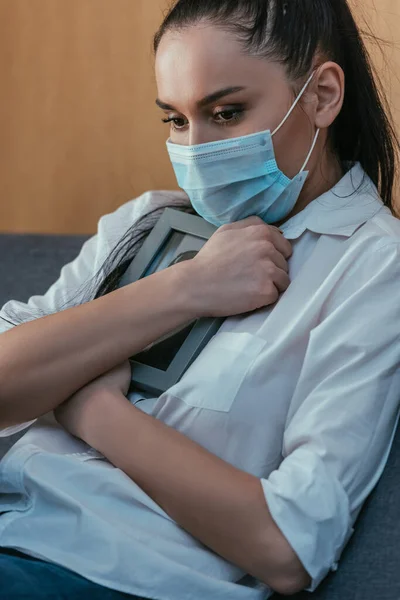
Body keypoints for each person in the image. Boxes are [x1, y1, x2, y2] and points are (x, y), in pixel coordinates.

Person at [0, 0, 400, 598]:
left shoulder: (373, 265)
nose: (197, 149)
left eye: (227, 112)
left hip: (102, 574)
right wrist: (183, 289)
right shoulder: (145, 219)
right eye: (177, 120)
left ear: (321, 95)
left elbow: (289, 547)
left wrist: (94, 410)